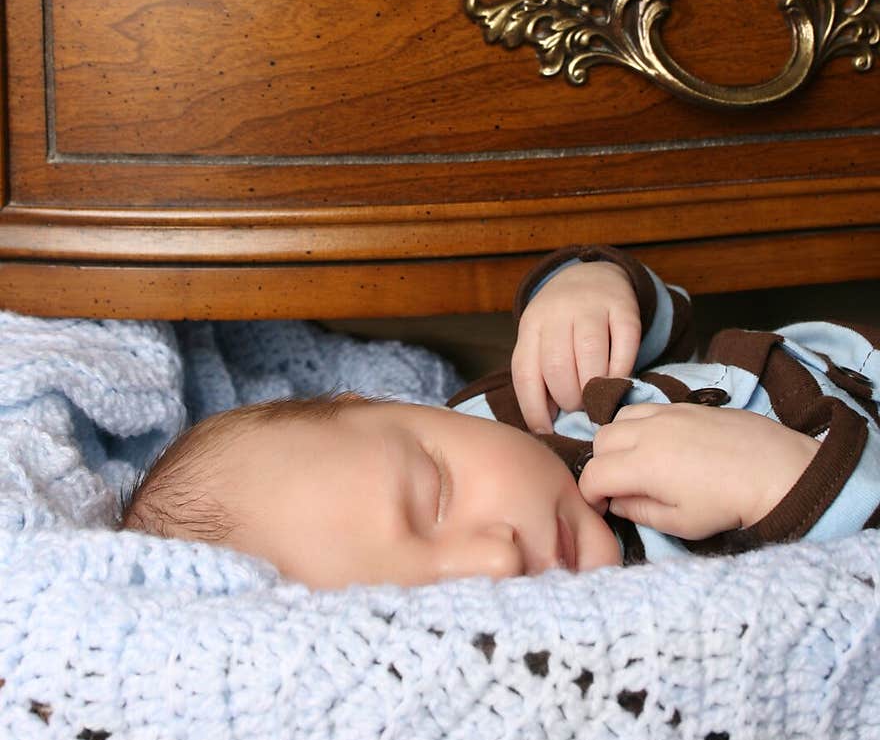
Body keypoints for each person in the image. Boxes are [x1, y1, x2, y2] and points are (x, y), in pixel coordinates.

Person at [119, 245, 880, 587]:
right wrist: (783, 487)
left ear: (393, 408)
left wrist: (587, 288)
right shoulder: (658, 601)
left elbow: (663, 329)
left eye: (438, 496)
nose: (493, 561)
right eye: (436, 602)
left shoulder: (507, 411)